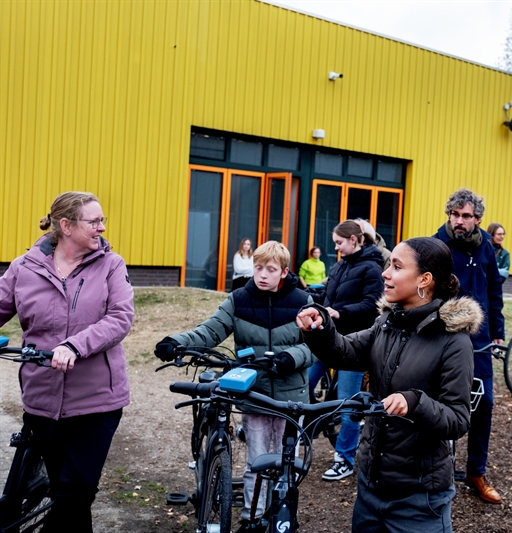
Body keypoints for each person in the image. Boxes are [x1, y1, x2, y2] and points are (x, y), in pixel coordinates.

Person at [296, 237, 478, 533]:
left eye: (396, 266)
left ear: (425, 279)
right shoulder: (387, 323)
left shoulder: (453, 342)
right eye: (388, 265)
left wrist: (415, 403)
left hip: (419, 500)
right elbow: (346, 351)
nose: (385, 273)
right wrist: (320, 329)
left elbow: (457, 420)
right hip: (370, 488)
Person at [154, 241, 314, 528]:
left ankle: (281, 519)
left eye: (271, 269)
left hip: (291, 398)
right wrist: (177, 342)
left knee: (285, 463)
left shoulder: (303, 301)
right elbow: (209, 330)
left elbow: (317, 346)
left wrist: (291, 357)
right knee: (256, 461)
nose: (263, 274)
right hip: (254, 394)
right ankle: (250, 519)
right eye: (258, 267)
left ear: (284, 272)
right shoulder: (238, 299)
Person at [0, 191, 134, 532]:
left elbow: (120, 317)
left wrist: (75, 346)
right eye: (94, 221)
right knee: (65, 493)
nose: (102, 227)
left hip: (96, 402)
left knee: (76, 492)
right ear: (66, 225)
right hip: (42, 399)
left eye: (102, 220)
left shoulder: (111, 266)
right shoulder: (24, 268)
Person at [433, 188, 505, 504]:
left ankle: (476, 472)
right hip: (445, 338)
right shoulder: (436, 247)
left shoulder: (487, 248)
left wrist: (498, 331)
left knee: (484, 405)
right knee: (440, 405)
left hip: (481, 341)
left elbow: (494, 291)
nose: (460, 221)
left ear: (478, 219)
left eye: (467, 216)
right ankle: (437, 472)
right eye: (455, 214)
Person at [307, 220, 385, 481]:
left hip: (354, 343)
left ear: (354, 239)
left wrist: (341, 312)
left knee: (349, 403)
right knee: (302, 383)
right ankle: (305, 430)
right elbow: (328, 298)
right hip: (328, 338)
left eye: (340, 243)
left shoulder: (373, 268)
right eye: (335, 243)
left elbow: (374, 304)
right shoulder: (340, 265)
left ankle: (344, 458)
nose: (337, 248)